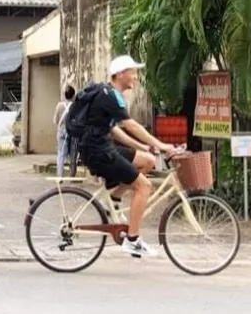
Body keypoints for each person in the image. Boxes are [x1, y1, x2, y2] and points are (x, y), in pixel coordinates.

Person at [76, 55, 177, 258]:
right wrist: (161, 145)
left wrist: (144, 147)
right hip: (99, 152)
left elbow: (115, 130)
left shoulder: (111, 94)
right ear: (120, 74)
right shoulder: (109, 95)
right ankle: (133, 240)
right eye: (133, 72)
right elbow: (130, 125)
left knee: (146, 161)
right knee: (144, 186)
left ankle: (113, 198)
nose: (136, 77)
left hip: (100, 147)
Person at [53, 85, 76, 174]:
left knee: (61, 153)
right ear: (73, 95)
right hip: (73, 132)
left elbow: (55, 121)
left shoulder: (59, 105)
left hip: (62, 131)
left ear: (64, 95)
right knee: (73, 154)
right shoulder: (75, 105)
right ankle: (72, 175)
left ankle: (60, 175)